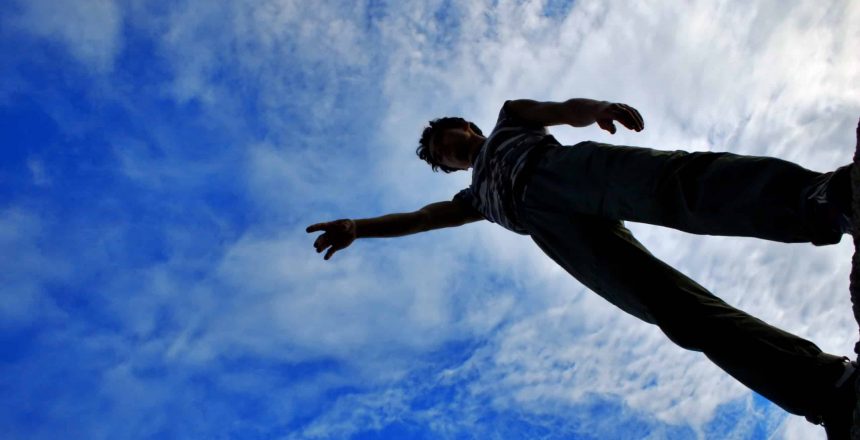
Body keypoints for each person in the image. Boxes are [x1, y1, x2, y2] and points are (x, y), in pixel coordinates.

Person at [306, 98, 860, 439]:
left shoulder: (508, 120)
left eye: (446, 138)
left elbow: (560, 110)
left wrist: (594, 111)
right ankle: (823, 388)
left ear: (466, 127)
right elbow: (422, 218)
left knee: (675, 188)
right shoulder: (473, 198)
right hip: (555, 232)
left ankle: (824, 199)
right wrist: (360, 227)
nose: (447, 148)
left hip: (565, 169)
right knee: (675, 312)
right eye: (441, 154)